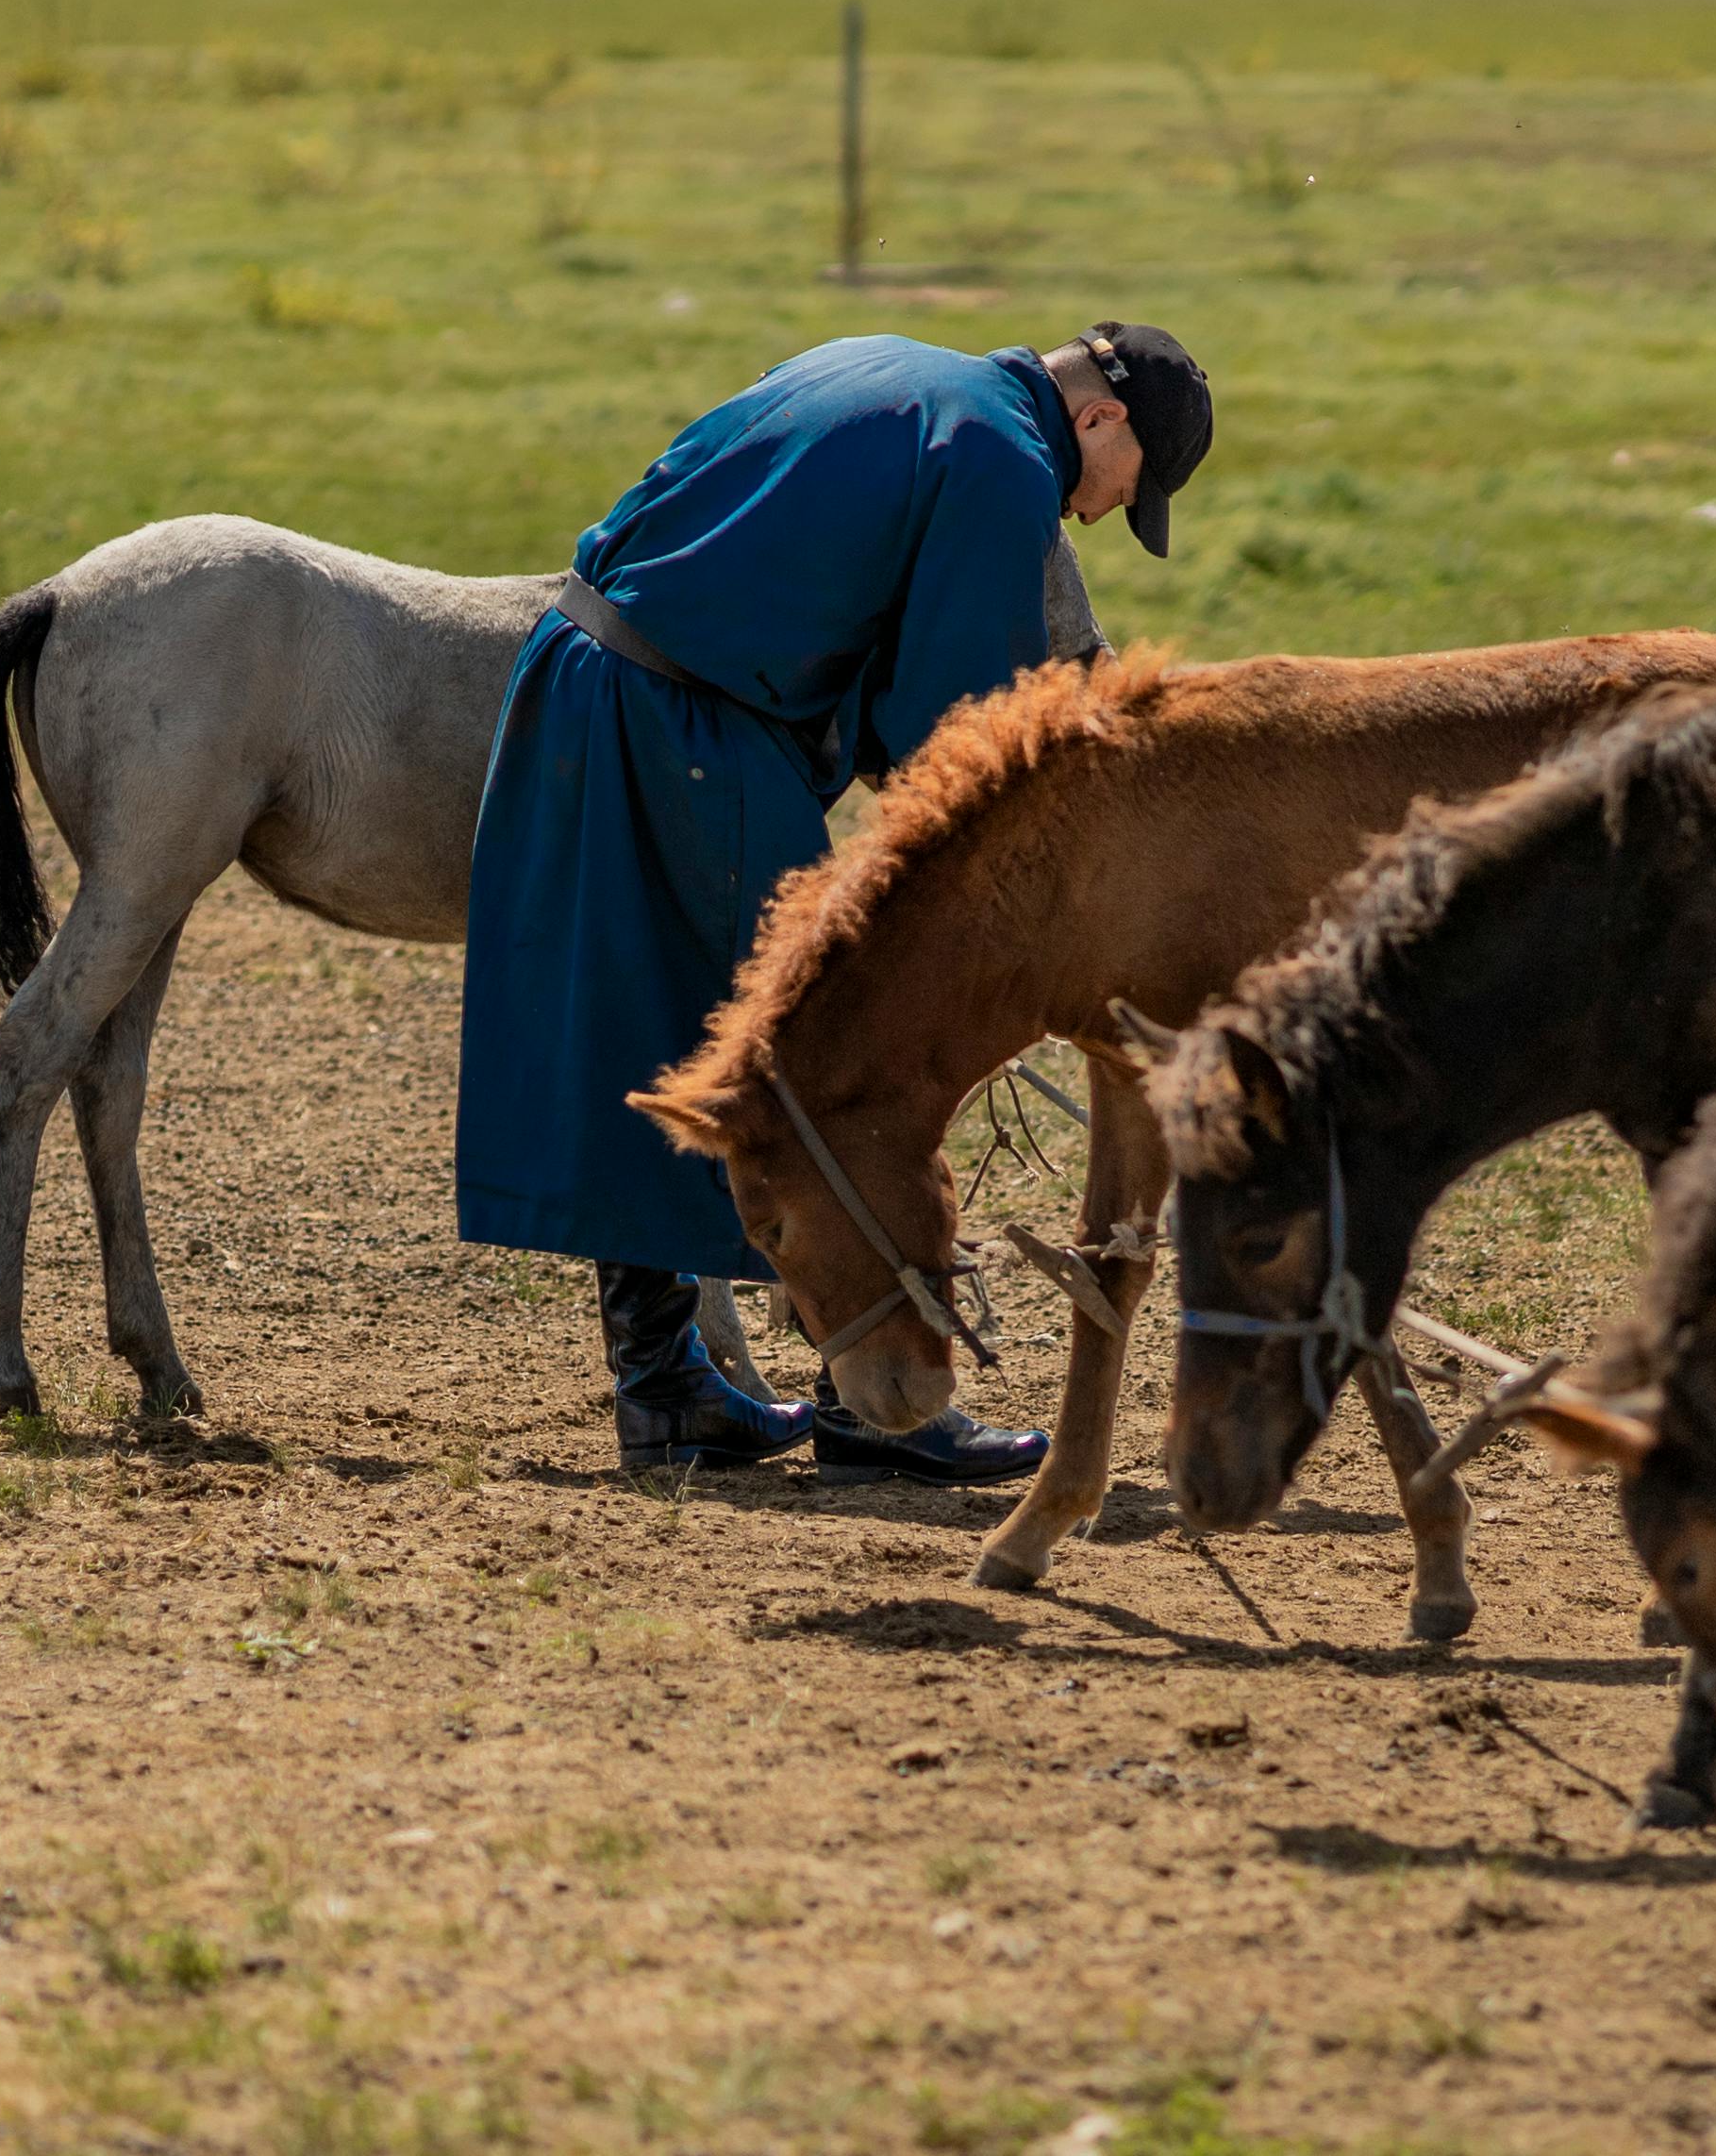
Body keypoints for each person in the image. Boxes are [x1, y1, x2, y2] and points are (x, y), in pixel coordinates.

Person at [461, 323, 1216, 1473]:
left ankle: (667, 1390)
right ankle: (871, 1401)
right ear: (1101, 421)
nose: (1104, 514)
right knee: (833, 1052)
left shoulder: (895, 364)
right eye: (1130, 488)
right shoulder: (1005, 462)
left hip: (589, 674)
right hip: (686, 721)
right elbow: (962, 741)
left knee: (674, 1030)